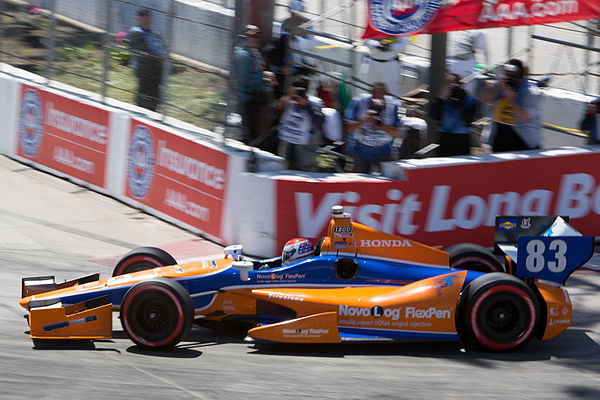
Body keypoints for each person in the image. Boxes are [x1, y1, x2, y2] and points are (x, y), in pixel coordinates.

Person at [479, 59, 542, 152]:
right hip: (500, 139)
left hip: (523, 141)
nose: (510, 80)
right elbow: (484, 99)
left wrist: (511, 100)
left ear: (521, 77)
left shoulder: (531, 92)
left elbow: (524, 117)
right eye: (507, 74)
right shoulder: (501, 84)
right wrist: (497, 87)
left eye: (513, 77)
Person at [344, 82, 403, 173]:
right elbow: (348, 128)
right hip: (359, 151)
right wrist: (364, 120)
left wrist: (381, 125)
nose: (377, 103)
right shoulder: (358, 102)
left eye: (381, 100)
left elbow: (397, 132)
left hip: (384, 152)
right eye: (374, 100)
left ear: (385, 96)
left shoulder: (395, 105)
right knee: (356, 182)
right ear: (371, 95)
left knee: (388, 181)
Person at [234, 25, 276, 144]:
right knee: (247, 132)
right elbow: (244, 78)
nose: (255, 39)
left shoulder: (253, 53)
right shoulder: (242, 54)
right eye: (251, 36)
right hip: (244, 99)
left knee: (251, 130)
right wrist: (264, 76)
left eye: (257, 36)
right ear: (244, 37)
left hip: (252, 98)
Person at [277, 77, 324, 171]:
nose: (295, 94)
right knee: (284, 168)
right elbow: (275, 115)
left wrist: (308, 107)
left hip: (306, 146)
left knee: (307, 171)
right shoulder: (287, 101)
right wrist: (282, 103)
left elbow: (319, 123)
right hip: (288, 142)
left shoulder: (314, 102)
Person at [429, 73, 479, 156]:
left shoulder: (469, 99)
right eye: (450, 85)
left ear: (461, 85)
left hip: (462, 138)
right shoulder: (443, 99)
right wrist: (440, 99)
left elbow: (469, 120)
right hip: (444, 137)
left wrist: (460, 101)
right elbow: (433, 115)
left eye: (455, 84)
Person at [128, 9, 167, 111]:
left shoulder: (155, 33)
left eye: (148, 17)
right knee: (144, 99)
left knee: (155, 98)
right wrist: (157, 58)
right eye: (144, 18)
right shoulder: (136, 33)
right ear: (138, 19)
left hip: (156, 71)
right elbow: (139, 52)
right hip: (145, 71)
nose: (147, 20)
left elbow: (163, 49)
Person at [447, 30, 489, 96]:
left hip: (449, 64)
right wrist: (486, 67)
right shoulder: (480, 32)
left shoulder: (455, 29)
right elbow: (486, 53)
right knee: (468, 94)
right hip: (466, 67)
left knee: (449, 91)